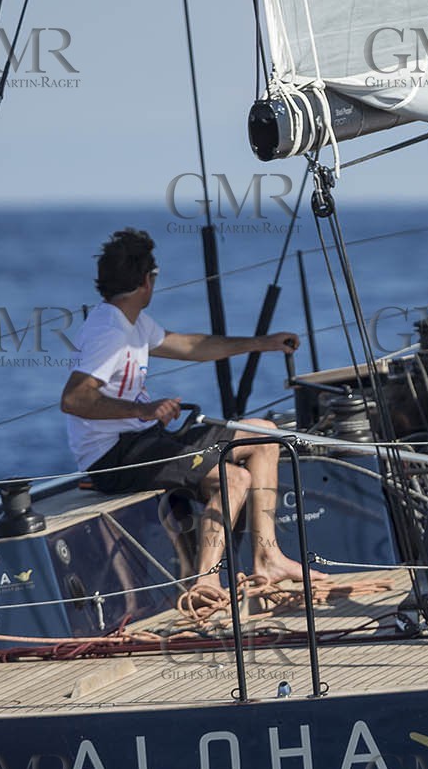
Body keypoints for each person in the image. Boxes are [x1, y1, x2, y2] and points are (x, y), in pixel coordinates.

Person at [59, 228, 315, 597]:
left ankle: (268, 557)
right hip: (114, 457)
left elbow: (194, 346)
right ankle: (206, 580)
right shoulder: (109, 333)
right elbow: (74, 399)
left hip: (143, 443)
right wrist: (143, 409)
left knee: (265, 435)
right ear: (148, 280)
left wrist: (262, 343)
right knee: (234, 480)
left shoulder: (132, 322)